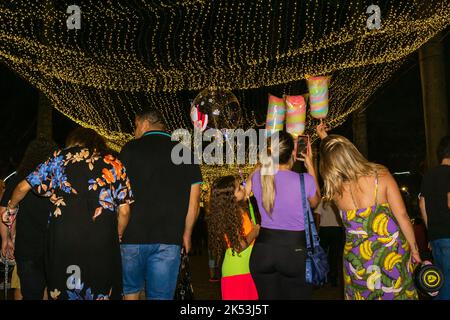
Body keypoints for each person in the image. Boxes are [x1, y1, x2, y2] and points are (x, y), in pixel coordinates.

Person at [2, 128, 134, 300]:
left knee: (65, 290)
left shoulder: (60, 158)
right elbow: (124, 211)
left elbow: (22, 187)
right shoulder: (114, 164)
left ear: (73, 142)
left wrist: (11, 208)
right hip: (101, 243)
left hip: (63, 241)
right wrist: (117, 234)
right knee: (101, 290)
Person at [317, 123, 421, 300]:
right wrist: (415, 249)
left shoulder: (334, 191)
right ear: (351, 152)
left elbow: (335, 156)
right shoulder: (379, 175)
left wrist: (324, 139)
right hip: (391, 252)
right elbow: (402, 215)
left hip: (358, 260)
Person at [118, 109, 202, 300]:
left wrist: (119, 229)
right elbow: (194, 202)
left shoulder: (129, 149)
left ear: (145, 123)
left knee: (130, 292)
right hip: (168, 238)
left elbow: (120, 195)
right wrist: (187, 234)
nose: (135, 130)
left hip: (132, 236)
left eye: (136, 125)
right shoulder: (185, 152)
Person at [247, 131, 321, 300]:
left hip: (263, 251)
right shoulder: (304, 180)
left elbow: (244, 190)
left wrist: (262, 161)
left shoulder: (258, 177)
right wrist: (310, 167)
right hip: (294, 253)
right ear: (293, 154)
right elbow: (316, 202)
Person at [0, 138, 56, 300]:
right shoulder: (58, 179)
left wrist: (6, 240)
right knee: (53, 291)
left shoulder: (17, 179)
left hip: (27, 247)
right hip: (54, 247)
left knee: (31, 293)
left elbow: (4, 211)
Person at [207, 175, 260, 300]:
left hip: (245, 270)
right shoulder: (230, 216)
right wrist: (254, 232)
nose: (243, 187)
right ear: (232, 197)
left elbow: (248, 184)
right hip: (237, 273)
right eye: (239, 188)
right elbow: (238, 246)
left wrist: (261, 164)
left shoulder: (235, 209)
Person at [419, 135, 450, 300]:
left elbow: (422, 205)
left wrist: (430, 232)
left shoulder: (429, 176)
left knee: (438, 281)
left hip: (436, 237)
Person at [315, 199, 344, 287]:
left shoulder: (322, 201)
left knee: (321, 255)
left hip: (324, 230)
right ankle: (333, 279)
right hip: (337, 230)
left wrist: (317, 230)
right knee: (334, 255)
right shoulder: (338, 199)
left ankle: (322, 278)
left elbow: (317, 216)